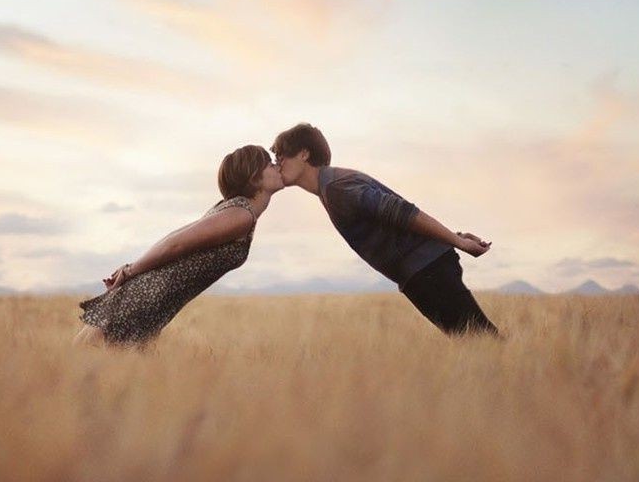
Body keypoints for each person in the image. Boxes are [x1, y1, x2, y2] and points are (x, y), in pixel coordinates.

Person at [271, 122, 500, 337]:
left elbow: (402, 212)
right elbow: (398, 220)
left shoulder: (336, 188)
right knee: (476, 342)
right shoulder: (330, 187)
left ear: (304, 153)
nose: (277, 163)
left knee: (483, 341)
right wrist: (453, 237)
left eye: (281, 156)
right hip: (422, 272)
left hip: (428, 272)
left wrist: (456, 241)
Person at [75, 144, 284, 346]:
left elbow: (175, 239)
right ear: (254, 177)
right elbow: (175, 244)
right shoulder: (241, 215)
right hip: (146, 297)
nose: (276, 166)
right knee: (94, 365)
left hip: (151, 298)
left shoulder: (234, 209)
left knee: (105, 367)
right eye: (269, 163)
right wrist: (130, 271)